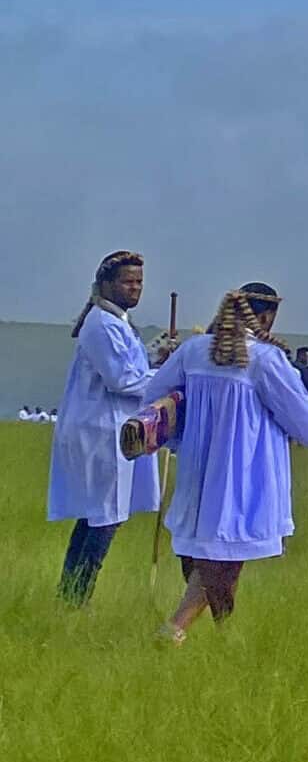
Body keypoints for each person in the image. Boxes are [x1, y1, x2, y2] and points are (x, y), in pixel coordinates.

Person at [140, 283, 308, 643]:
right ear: (266, 317)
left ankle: (225, 634)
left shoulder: (192, 351)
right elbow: (302, 418)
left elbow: (155, 401)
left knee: (206, 547)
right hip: (245, 472)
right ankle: (175, 628)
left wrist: (181, 437)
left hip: (197, 467)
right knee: (223, 551)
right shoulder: (266, 360)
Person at [49, 250, 164, 606]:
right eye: (128, 281)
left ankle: (70, 596)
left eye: (139, 282)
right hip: (101, 433)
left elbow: (130, 366)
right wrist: (169, 378)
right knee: (104, 518)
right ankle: (76, 597)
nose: (135, 288)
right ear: (106, 284)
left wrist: (157, 357)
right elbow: (122, 379)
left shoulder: (117, 322)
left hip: (111, 430)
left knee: (96, 517)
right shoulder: (100, 323)